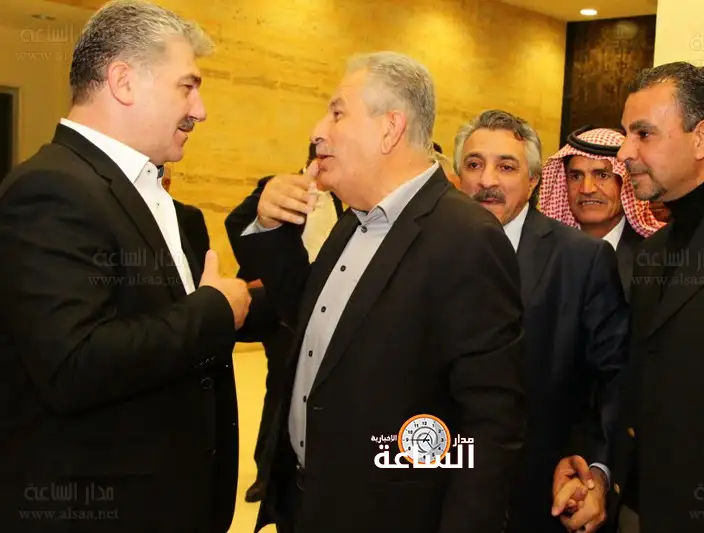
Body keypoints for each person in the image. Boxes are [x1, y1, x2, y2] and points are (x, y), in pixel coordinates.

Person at [230, 51, 525, 533]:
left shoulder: (466, 237)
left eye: (337, 112)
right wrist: (269, 228)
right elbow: (312, 321)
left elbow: (490, 422)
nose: (318, 131)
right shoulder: (354, 223)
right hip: (307, 504)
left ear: (390, 128)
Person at [0, 2, 251, 531]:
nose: (201, 110)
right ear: (123, 81)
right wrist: (212, 312)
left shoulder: (147, 192)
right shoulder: (51, 189)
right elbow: (74, 364)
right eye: (188, 86)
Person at [552, 61, 704, 533]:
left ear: (701, 138)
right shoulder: (655, 251)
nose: (625, 152)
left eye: (643, 134)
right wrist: (601, 477)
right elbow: (638, 390)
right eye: (627, 134)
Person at [454, 110, 629, 533]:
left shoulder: (580, 259)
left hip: (540, 495)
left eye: (506, 166)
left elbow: (613, 379)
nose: (487, 180)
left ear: (533, 180)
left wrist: (596, 471)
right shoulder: (431, 252)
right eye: (474, 164)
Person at [224, 143, 344, 503]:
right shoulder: (280, 187)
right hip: (282, 313)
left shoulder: (345, 202)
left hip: (323, 313)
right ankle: (265, 473)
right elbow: (238, 225)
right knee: (279, 390)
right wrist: (265, 275)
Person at [539, 127, 663, 299]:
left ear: (626, 182)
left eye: (602, 175)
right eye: (576, 176)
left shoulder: (660, 253)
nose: (587, 189)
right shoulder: (542, 252)